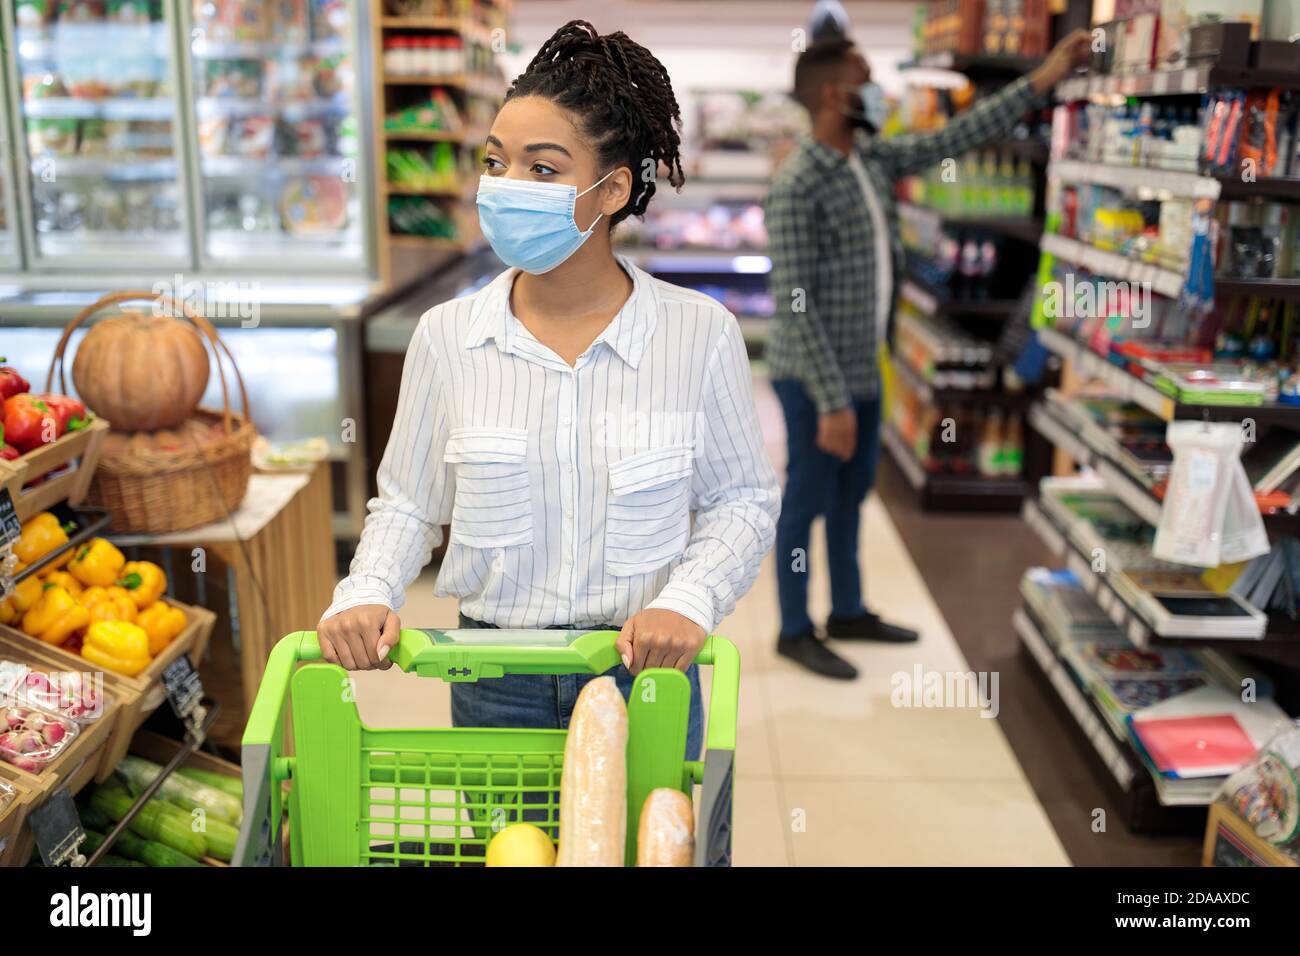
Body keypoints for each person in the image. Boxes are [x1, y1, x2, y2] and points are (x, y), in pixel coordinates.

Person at [317, 20, 781, 759]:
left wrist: (689, 601)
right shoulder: (447, 336)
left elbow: (743, 499)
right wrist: (367, 589)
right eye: (495, 162)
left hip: (643, 671)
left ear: (613, 190)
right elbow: (410, 502)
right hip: (495, 674)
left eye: (542, 169)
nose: (503, 187)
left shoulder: (700, 334)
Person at [765, 29, 1092, 679]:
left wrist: (1044, 77)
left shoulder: (871, 159)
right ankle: (795, 627)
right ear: (836, 94)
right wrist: (831, 402)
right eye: (866, 78)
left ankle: (850, 608)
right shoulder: (798, 183)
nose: (877, 89)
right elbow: (794, 305)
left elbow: (953, 140)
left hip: (865, 368)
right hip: (812, 379)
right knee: (805, 502)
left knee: (851, 496)